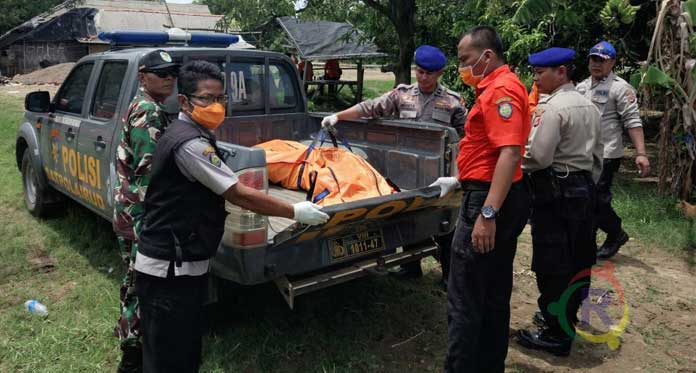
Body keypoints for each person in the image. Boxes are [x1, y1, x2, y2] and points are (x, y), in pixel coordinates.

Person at [133, 60, 329, 372]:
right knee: (169, 357)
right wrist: (294, 210)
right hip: (168, 269)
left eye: (221, 98)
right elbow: (236, 192)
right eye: (206, 99)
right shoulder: (189, 144)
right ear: (184, 101)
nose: (216, 106)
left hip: (184, 261)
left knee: (184, 351)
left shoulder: (194, 132)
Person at [321, 45, 467, 284]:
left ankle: (449, 277)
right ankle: (411, 268)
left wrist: (458, 176)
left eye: (429, 73)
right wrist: (339, 116)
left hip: (441, 173)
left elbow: (466, 140)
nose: (423, 77)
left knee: (445, 224)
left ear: (439, 73)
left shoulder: (452, 102)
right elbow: (370, 107)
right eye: (419, 71)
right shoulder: (402, 95)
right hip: (407, 171)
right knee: (409, 216)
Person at [430, 26, 531, 372]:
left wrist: (487, 213)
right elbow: (490, 150)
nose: (462, 67)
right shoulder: (496, 86)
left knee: (466, 297)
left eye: (464, 59)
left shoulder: (501, 90)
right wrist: (459, 178)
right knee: (492, 292)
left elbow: (510, 153)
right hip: (491, 194)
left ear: (486, 55)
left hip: (488, 201)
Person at [516, 47, 603, 356]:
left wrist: (513, 164)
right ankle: (564, 316)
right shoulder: (588, 105)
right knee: (579, 258)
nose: (536, 79)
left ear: (562, 72)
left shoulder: (552, 108)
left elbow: (538, 156)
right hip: (582, 189)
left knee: (553, 262)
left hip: (555, 191)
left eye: (541, 73)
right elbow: (598, 157)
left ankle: (555, 332)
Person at [112, 49, 179, 373]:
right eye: (161, 73)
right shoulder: (149, 112)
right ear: (143, 77)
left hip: (134, 212)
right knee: (141, 285)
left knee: (138, 283)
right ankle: (132, 357)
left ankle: (136, 349)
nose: (169, 78)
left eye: (172, 73)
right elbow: (151, 176)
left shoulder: (153, 108)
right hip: (142, 216)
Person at [576, 41, 650, 259]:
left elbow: (633, 121)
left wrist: (642, 153)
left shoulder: (621, 88)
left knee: (597, 199)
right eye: (593, 59)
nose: (596, 64)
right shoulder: (581, 87)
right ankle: (587, 246)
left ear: (612, 62)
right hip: (583, 152)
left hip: (607, 153)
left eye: (602, 60)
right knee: (584, 199)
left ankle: (615, 232)